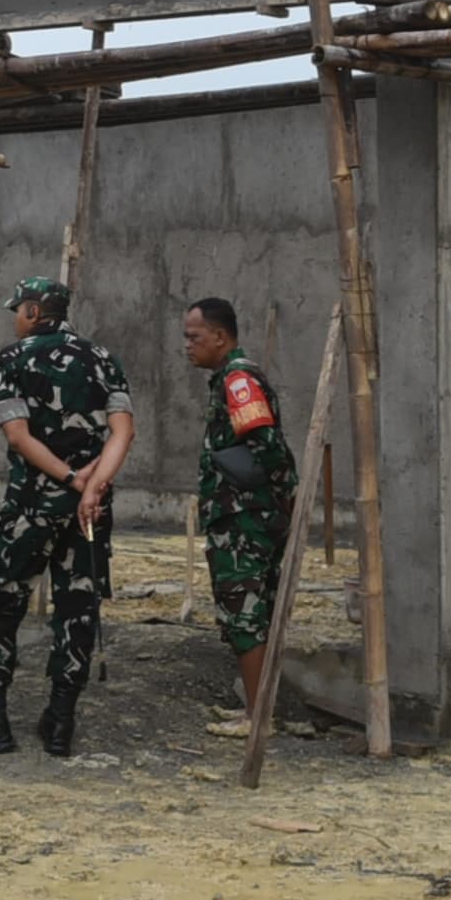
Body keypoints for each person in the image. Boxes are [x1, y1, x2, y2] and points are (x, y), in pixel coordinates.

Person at [0, 277, 135, 759]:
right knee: (77, 609)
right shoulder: (103, 358)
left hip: (33, 505)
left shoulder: (13, 359)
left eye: (18, 310)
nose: (15, 318)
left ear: (33, 312)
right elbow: (123, 431)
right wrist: (93, 485)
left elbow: (17, 436)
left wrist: (72, 478)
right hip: (89, 511)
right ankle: (60, 723)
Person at [181, 296, 297, 722]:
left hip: (244, 520)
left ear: (220, 336)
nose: (188, 346)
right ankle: (257, 707)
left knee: (244, 613)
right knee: (250, 612)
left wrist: (275, 496)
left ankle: (257, 716)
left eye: (194, 337)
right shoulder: (228, 379)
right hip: (247, 516)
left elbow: (267, 445)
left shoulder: (237, 381)